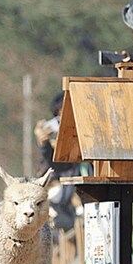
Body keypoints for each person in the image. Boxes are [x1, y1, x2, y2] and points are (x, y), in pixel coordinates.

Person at [33, 91, 89, 232]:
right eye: (59, 119)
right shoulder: (62, 146)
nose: (64, 123)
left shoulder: (90, 131)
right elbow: (59, 165)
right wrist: (44, 145)